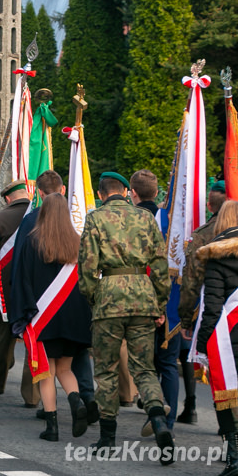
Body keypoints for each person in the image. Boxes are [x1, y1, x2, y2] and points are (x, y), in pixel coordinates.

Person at [78, 172, 174, 464]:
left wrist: (95, 296)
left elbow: (87, 267)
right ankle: (157, 419)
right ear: (125, 191)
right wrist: (159, 303)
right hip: (143, 297)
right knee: (144, 368)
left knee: (106, 369)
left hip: (109, 297)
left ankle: (107, 438)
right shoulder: (146, 219)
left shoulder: (95, 219)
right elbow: (160, 264)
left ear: (102, 193)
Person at [12, 193, 91, 441]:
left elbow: (22, 282)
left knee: (46, 373)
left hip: (43, 319)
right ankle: (76, 402)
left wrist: (23, 315)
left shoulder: (31, 242)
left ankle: (52, 427)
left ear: (44, 213)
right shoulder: (78, 243)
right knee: (65, 369)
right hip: (72, 320)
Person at [130, 169, 179, 432]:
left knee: (144, 364)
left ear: (133, 192)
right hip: (171, 301)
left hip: (142, 301)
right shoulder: (174, 219)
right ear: (157, 191)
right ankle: (166, 421)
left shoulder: (132, 219)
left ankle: (155, 410)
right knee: (168, 364)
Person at [179, 180, 228, 424]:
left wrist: (186, 319)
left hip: (214, 312)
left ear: (210, 206)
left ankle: (227, 432)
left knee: (222, 373)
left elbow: (191, 282)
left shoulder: (202, 236)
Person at [196, 200, 238, 476]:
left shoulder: (215, 257)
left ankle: (234, 455)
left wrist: (202, 346)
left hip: (229, 339)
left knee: (225, 396)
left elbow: (212, 307)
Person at [0, 178, 31, 396]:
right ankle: (32, 395)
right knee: (33, 341)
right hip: (34, 289)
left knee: (3, 340)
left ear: (7, 198)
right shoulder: (40, 216)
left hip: (4, 289)